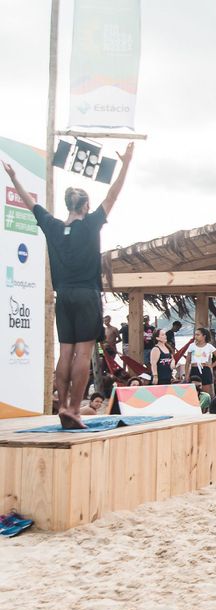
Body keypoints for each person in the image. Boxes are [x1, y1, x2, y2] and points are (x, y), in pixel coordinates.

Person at [6, 144, 134, 429]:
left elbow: (30, 204)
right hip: (87, 294)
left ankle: (62, 405)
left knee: (66, 352)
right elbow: (113, 194)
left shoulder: (52, 226)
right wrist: (125, 165)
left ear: (68, 206)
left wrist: (14, 178)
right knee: (83, 353)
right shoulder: (90, 225)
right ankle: (75, 409)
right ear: (86, 206)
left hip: (63, 295)